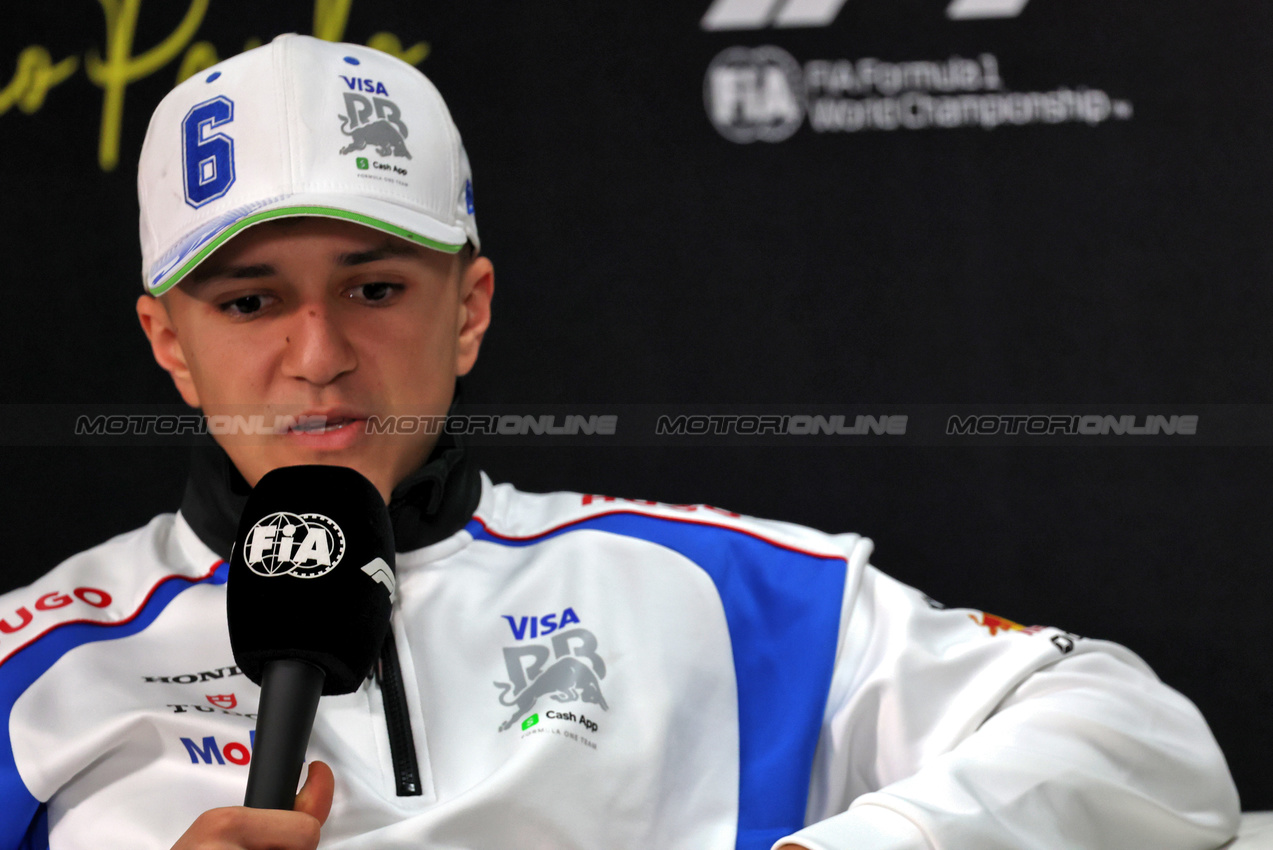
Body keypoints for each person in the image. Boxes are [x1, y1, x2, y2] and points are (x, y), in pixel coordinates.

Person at [0, 33, 1240, 850]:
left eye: (374, 289)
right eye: (251, 301)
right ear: (168, 341)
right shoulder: (36, 653)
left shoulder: (714, 587)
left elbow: (1138, 740)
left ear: (469, 309)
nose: (316, 354)